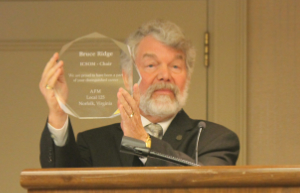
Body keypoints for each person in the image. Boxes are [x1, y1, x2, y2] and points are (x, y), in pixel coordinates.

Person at [39, 19, 239, 167]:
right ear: (127, 77)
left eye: (176, 66)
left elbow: (205, 184)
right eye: (151, 65)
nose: (165, 75)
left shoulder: (215, 140)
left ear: (187, 77)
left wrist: (143, 142)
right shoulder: (93, 143)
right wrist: (58, 112)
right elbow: (60, 184)